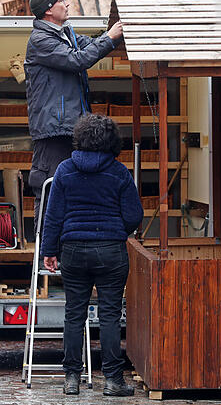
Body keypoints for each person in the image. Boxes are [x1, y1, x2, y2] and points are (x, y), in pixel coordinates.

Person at [40, 114, 143, 397]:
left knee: (74, 315)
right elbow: (134, 215)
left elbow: (53, 216)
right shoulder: (119, 172)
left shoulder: (64, 170)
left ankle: (71, 379)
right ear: (112, 141)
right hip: (110, 251)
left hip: (72, 251)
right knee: (110, 316)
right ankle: (112, 381)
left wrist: (49, 251)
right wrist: (116, 231)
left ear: (80, 138)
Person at [25, 0, 124, 210]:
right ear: (49, 10)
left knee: (74, 183)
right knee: (50, 183)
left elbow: (90, 46)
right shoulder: (41, 40)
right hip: (54, 129)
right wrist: (110, 37)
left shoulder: (65, 34)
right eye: (62, 0)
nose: (67, 3)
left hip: (71, 126)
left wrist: (114, 36)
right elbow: (77, 60)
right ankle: (46, 242)